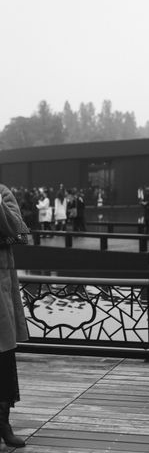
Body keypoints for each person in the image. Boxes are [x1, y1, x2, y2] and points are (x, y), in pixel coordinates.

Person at [0, 183, 28, 447]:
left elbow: (20, 233)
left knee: (2, 362)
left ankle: (3, 424)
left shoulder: (2, 193)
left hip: (0, 293)